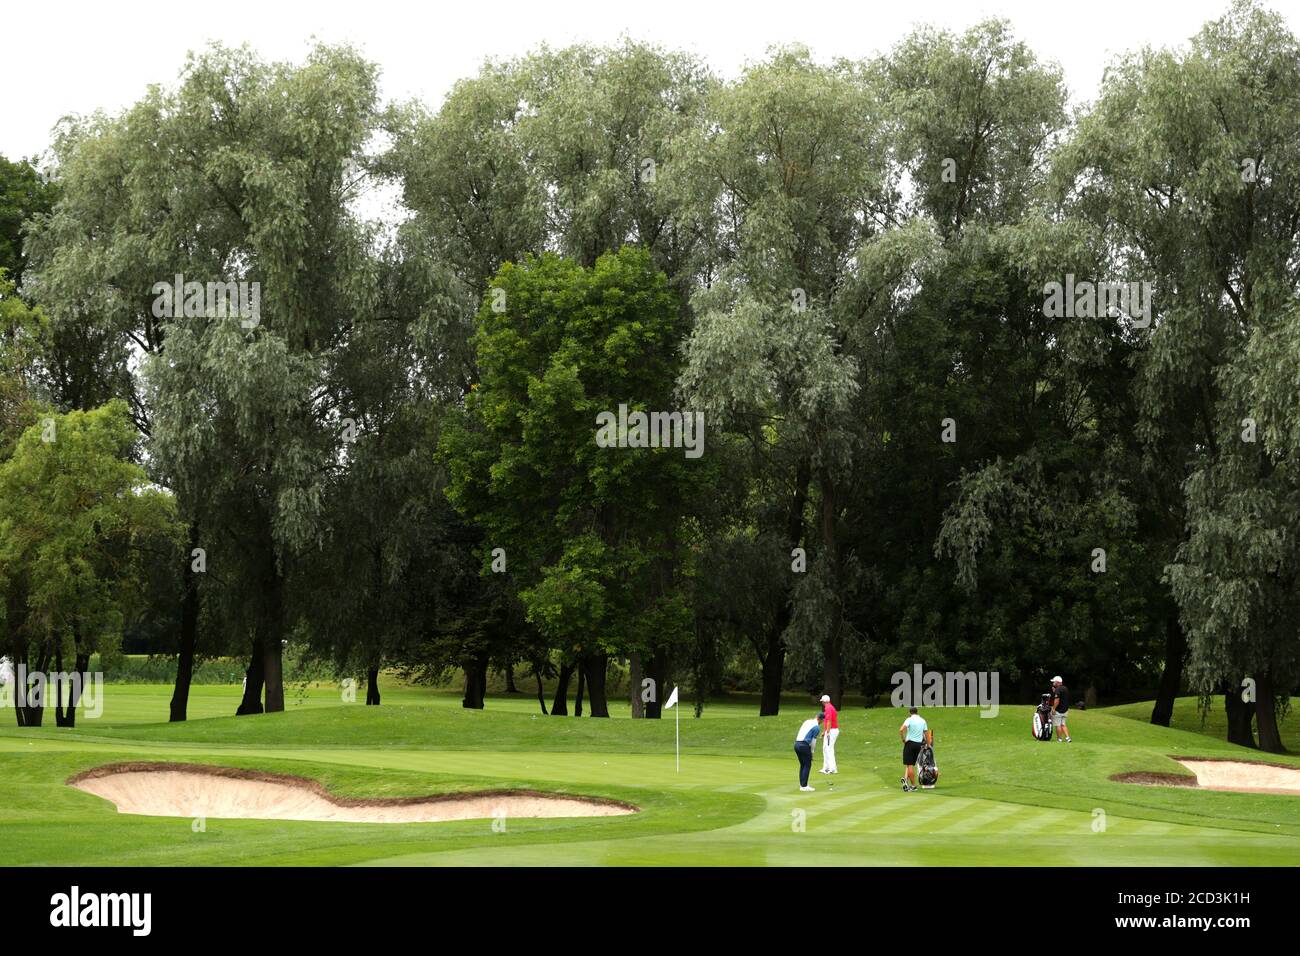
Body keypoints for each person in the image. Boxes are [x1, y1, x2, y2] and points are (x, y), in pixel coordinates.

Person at [898, 707, 931, 792]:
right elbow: (927, 734)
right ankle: (905, 779)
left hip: (909, 743)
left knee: (909, 765)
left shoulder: (909, 719)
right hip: (918, 745)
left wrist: (903, 739)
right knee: (911, 764)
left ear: (910, 712)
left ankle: (913, 786)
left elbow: (901, 730)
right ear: (917, 712)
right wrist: (928, 745)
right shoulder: (923, 720)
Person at [794, 712, 824, 791]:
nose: (822, 722)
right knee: (807, 765)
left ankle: (802, 785)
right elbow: (813, 742)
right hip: (804, 745)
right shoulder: (816, 727)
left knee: (803, 764)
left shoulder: (807, 721)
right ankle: (804, 786)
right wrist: (812, 752)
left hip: (797, 744)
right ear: (820, 719)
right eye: (822, 721)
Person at [818, 693, 839, 774]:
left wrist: (828, 732)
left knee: (829, 749)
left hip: (832, 731)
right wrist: (824, 732)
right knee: (825, 748)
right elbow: (827, 721)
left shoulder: (828, 708)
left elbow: (829, 721)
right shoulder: (829, 707)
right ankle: (826, 767)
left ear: (824, 701)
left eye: (822, 701)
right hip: (830, 730)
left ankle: (832, 769)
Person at [1050, 676, 1072, 743]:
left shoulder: (1058, 689)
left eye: (1054, 682)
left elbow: (1057, 700)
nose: (1053, 683)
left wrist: (1053, 708)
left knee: (1058, 725)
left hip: (1058, 710)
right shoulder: (1065, 688)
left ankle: (1059, 739)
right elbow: (1062, 697)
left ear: (1057, 682)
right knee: (1063, 724)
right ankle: (1068, 738)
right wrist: (1055, 692)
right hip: (1065, 710)